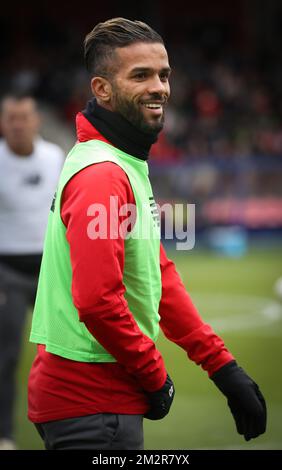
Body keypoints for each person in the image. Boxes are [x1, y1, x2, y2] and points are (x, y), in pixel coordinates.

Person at [28, 18, 266, 451]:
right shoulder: (104, 172)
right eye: (140, 75)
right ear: (102, 89)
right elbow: (98, 301)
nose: (159, 87)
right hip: (94, 404)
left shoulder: (118, 160)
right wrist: (155, 376)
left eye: (163, 74)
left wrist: (222, 367)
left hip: (90, 403)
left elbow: (158, 276)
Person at [0, 94, 64, 450]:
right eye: (11, 118)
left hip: (48, 269)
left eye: (24, 117)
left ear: (36, 121)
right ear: (3, 122)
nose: (18, 124)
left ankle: (63, 429)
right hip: (5, 270)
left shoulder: (54, 157)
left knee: (60, 353)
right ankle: (5, 435)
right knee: (5, 358)